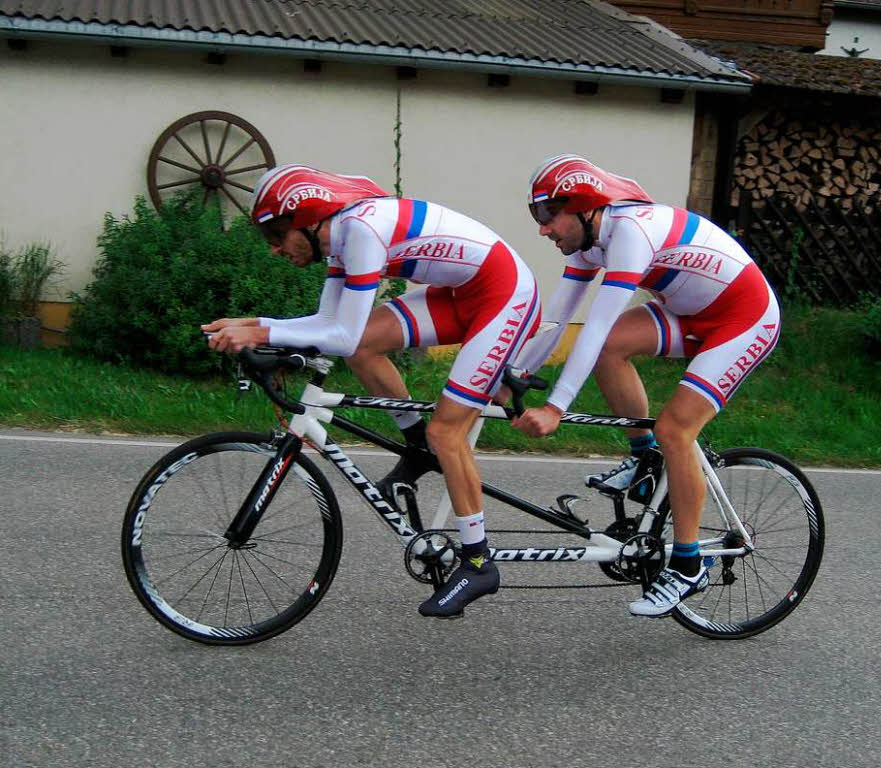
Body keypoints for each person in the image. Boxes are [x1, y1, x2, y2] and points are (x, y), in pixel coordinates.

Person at [203, 164, 541, 618]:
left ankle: (479, 562)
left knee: (450, 432)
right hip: (460, 293)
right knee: (365, 348)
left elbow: (337, 334)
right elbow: (335, 327)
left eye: (279, 234)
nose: (275, 249)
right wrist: (257, 327)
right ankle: (417, 442)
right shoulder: (339, 239)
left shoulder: (360, 230)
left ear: (308, 218)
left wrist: (262, 334)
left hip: (503, 293)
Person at [512, 155, 780, 617]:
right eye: (537, 216)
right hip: (690, 313)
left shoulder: (631, 233)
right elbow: (557, 322)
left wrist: (556, 406)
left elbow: (592, 325)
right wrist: (510, 373)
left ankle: (689, 563)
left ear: (584, 208)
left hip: (743, 318)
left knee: (678, 429)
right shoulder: (587, 243)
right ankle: (644, 458)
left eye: (547, 215)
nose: (543, 229)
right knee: (610, 350)